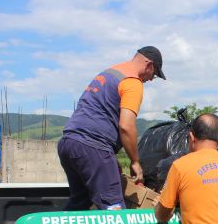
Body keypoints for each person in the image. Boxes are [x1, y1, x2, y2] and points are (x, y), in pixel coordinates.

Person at [58, 46, 166, 210]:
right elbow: (126, 126)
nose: (151, 79)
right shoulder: (132, 81)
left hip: (68, 142)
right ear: (149, 65)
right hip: (92, 145)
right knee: (114, 208)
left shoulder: (109, 73)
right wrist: (135, 162)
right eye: (155, 74)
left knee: (80, 203)